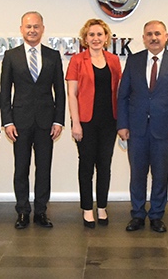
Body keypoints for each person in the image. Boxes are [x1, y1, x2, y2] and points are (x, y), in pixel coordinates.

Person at [117, 20, 168, 233]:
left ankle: (157, 215)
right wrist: (122, 124)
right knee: (137, 175)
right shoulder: (134, 60)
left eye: (157, 33)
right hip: (137, 129)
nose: (154, 38)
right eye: (149, 34)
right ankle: (138, 214)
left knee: (160, 175)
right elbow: (123, 96)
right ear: (143, 38)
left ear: (166, 36)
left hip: (165, 130)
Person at [0, 11, 65, 229]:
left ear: (42, 29)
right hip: (19, 122)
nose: (32, 30)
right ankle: (22, 211)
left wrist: (59, 120)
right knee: (21, 168)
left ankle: (41, 211)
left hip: (47, 122)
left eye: (36, 26)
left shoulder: (53, 55)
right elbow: (4, 91)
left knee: (43, 168)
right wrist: (7, 121)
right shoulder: (11, 56)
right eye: (28, 26)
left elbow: (60, 91)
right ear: (21, 29)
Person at [66, 19, 122, 228]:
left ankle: (102, 207)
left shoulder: (114, 60)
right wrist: (76, 123)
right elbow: (72, 94)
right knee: (86, 165)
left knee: (105, 165)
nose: (96, 38)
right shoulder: (77, 60)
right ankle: (88, 208)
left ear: (106, 37)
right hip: (85, 122)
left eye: (99, 34)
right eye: (91, 35)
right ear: (85, 38)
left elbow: (119, 92)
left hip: (109, 121)